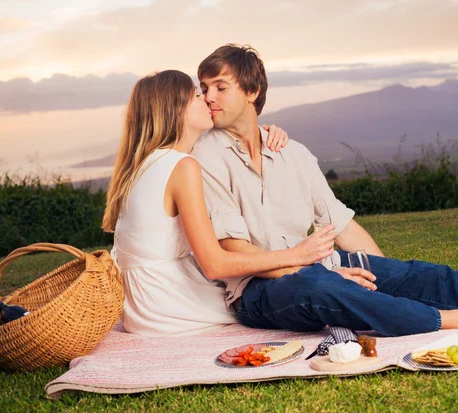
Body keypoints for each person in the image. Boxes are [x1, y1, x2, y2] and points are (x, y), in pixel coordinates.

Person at [192, 44, 458, 337]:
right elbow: (235, 252)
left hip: (315, 269)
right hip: (260, 293)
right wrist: (330, 275)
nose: (208, 97)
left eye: (219, 87)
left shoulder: (293, 153)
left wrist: (384, 276)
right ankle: (455, 320)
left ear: (252, 90)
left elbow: (343, 228)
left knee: (421, 275)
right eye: (204, 87)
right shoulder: (206, 158)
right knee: (319, 285)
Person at [102, 70, 338, 337]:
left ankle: (330, 280)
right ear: (175, 110)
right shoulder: (182, 165)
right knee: (266, 296)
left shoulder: (143, 165)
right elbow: (215, 264)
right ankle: (338, 285)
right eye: (196, 95)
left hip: (140, 307)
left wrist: (263, 133)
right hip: (168, 305)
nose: (207, 100)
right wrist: (297, 256)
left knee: (273, 283)